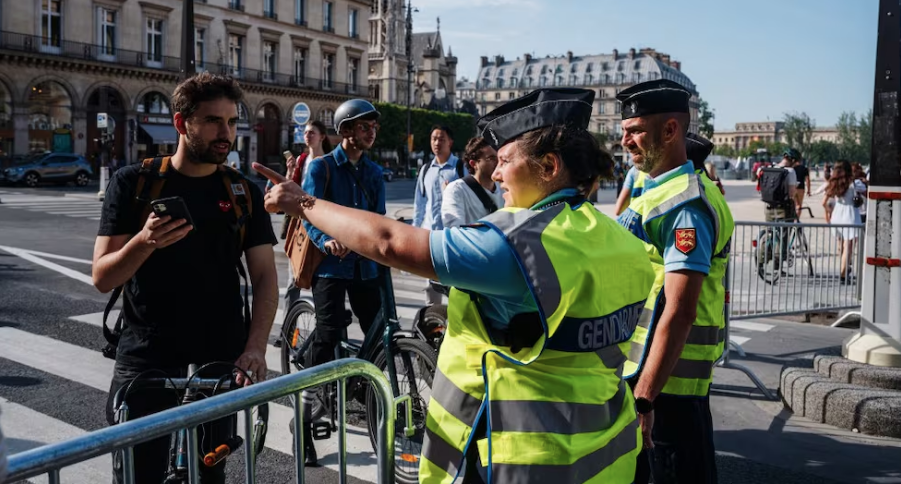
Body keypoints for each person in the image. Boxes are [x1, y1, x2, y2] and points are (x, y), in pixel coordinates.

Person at [257, 87, 656, 483]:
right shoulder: (624, 240)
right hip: (607, 455)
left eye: (504, 161)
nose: (496, 174)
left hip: (524, 461)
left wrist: (301, 203)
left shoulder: (518, 244)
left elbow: (388, 241)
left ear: (549, 167)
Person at [93, 72, 279, 484]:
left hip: (219, 360)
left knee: (209, 477)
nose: (226, 133)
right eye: (214, 121)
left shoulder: (243, 192)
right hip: (146, 360)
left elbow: (265, 277)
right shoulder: (135, 183)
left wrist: (255, 348)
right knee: (138, 476)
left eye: (231, 122)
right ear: (182, 123)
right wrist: (144, 242)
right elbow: (103, 277)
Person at [615, 79, 735, 484]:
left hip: (668, 387)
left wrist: (646, 397)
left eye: (635, 132)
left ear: (670, 131)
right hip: (654, 374)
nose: (625, 141)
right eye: (624, 132)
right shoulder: (656, 190)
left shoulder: (685, 206)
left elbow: (681, 311)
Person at [298, 98, 386, 466]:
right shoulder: (321, 168)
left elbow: (380, 220)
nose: (371, 132)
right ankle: (311, 400)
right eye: (364, 126)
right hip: (332, 267)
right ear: (345, 130)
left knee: (379, 333)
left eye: (374, 127)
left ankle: (362, 388)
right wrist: (324, 241)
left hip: (365, 267)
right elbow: (306, 211)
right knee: (330, 329)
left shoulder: (375, 173)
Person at [267, 120, 333, 288]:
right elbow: (290, 186)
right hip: (300, 219)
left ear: (322, 137)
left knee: (320, 272)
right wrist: (290, 171)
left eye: (312, 132)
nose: (307, 136)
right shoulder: (302, 159)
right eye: (305, 132)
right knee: (294, 271)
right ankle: (292, 312)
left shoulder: (329, 162)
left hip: (322, 221)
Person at [413, 125, 463, 305]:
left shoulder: (460, 167)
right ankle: (434, 325)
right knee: (430, 287)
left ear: (450, 142)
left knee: (455, 287)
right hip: (429, 237)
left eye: (441, 139)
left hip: (453, 238)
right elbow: (419, 204)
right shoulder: (426, 169)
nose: (436, 143)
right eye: (433, 138)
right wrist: (415, 231)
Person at [440, 136, 505, 227]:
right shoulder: (457, 190)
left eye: (499, 158)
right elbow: (455, 231)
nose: (498, 163)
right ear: (474, 164)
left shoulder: (505, 188)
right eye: (491, 158)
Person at [824, 160, 862, 283]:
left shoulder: (833, 183)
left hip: (837, 215)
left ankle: (844, 267)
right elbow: (864, 190)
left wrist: (829, 213)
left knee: (841, 245)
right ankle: (843, 274)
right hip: (850, 215)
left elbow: (826, 202)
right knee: (848, 246)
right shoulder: (853, 183)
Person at [759, 149, 800, 222]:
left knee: (769, 230)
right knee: (785, 231)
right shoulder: (790, 171)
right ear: (793, 160)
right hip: (783, 208)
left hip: (768, 206)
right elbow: (791, 193)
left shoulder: (770, 168)